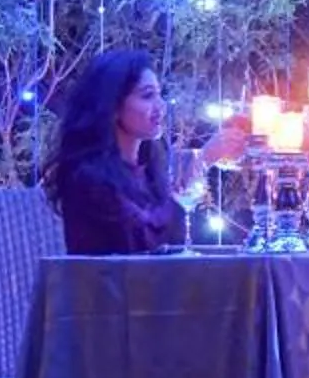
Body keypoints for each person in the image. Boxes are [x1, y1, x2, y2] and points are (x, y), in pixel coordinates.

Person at [39, 49, 238, 255]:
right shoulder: (88, 177)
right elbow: (144, 241)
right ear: (113, 106)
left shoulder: (148, 170)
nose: (160, 106)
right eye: (147, 96)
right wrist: (201, 160)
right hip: (113, 285)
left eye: (160, 95)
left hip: (157, 283)